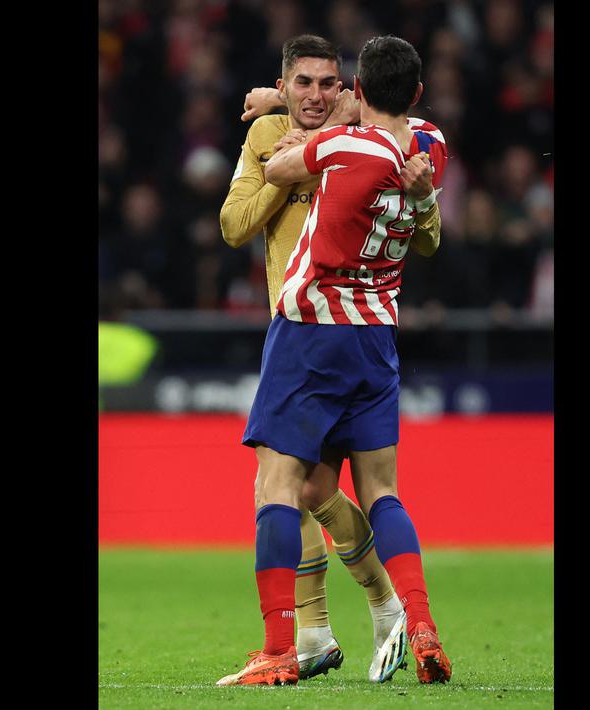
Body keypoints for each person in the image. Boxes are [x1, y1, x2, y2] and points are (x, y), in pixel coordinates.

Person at [216, 34, 452, 686]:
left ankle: (299, 638)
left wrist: (301, 149)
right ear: (285, 86)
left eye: (329, 84)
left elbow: (424, 233)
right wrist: (283, 123)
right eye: (302, 85)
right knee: (334, 489)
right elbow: (234, 225)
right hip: (373, 334)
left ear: (349, 89)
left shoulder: (332, 143)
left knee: (279, 486)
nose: (316, 95)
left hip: (311, 329)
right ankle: (381, 617)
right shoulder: (421, 144)